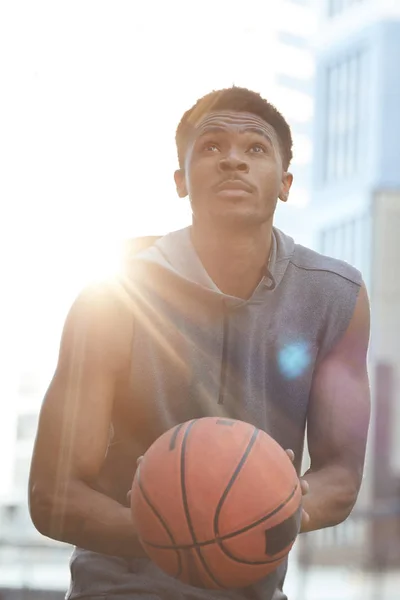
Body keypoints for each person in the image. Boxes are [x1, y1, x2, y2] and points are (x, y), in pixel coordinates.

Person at [28, 86, 371, 600]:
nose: (233, 159)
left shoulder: (336, 295)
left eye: (255, 149)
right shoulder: (114, 296)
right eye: (211, 147)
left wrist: (265, 510)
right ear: (181, 181)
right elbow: (52, 494)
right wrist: (179, 532)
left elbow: (340, 476)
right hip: (120, 590)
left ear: (285, 182)